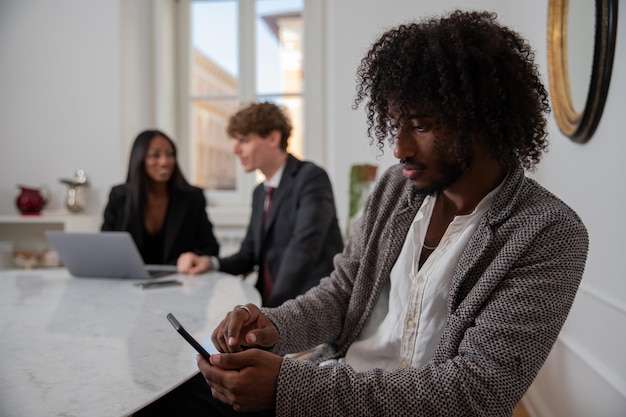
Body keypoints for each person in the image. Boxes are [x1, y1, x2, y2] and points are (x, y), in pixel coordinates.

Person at [138, 10, 589, 417]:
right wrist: (271, 326)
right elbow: (343, 292)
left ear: (485, 119)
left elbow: (476, 392)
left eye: (421, 125)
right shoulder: (398, 188)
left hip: (338, 397)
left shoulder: (548, 232)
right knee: (171, 398)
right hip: (327, 384)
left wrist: (290, 387)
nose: (399, 149)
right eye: (395, 124)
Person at [177, 102, 344, 307]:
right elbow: (248, 255)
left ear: (273, 138)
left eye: (244, 140)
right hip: (269, 305)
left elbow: (302, 251)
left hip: (309, 305)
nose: (235, 149)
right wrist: (210, 263)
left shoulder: (311, 178)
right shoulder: (260, 193)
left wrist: (268, 312)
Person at [102, 129, 219, 265]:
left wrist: (194, 260)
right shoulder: (120, 196)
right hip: (129, 279)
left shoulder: (192, 198)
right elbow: (106, 246)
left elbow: (211, 248)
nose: (164, 162)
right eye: (155, 155)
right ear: (139, 159)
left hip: (179, 279)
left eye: (170, 154)